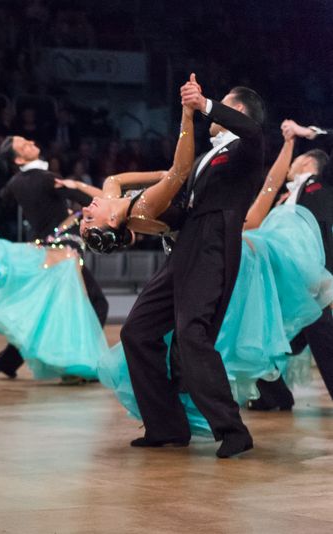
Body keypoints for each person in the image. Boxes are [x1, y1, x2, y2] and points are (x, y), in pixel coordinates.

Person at [98, 121, 333, 436]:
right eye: (88, 217)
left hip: (235, 259)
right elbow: (269, 183)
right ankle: (187, 417)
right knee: (196, 342)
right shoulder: (139, 209)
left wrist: (173, 173)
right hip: (212, 259)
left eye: (86, 213)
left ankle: (216, 420)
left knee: (202, 342)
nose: (88, 209)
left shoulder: (138, 206)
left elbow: (267, 185)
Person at [85, 75, 264, 458]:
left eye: (224, 104)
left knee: (192, 334)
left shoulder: (248, 146)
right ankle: (166, 428)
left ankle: (232, 430)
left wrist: (203, 105)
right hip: (184, 247)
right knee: (136, 331)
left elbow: (250, 129)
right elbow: (179, 208)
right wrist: (135, 223)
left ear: (236, 111)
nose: (213, 111)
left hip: (214, 243)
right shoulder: (206, 157)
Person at [0, 134, 109, 378]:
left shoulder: (16, 183)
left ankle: (7, 361)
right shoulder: (47, 179)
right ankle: (81, 361)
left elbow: (2, 199)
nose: (31, 143)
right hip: (63, 252)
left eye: (28, 140)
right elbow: (91, 200)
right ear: (18, 158)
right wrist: (77, 188)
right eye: (24, 145)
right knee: (96, 303)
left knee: (44, 309)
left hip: (42, 250)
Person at [248, 120, 333, 411]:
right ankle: (274, 394)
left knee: (318, 328)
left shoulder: (323, 184)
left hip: (316, 279)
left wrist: (306, 133)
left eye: (296, 159)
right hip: (282, 285)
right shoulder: (284, 198)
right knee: (258, 334)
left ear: (309, 162)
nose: (289, 166)